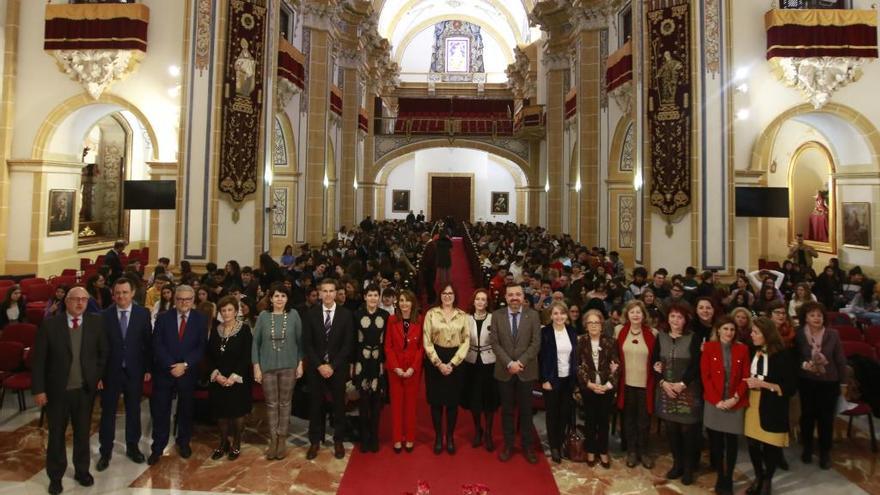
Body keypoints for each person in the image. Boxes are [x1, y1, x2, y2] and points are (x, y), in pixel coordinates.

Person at [31, 286, 107, 495]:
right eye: (75, 299)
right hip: (57, 392)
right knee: (56, 435)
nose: (80, 303)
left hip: (84, 391)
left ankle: (82, 471)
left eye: (84, 299)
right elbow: (38, 362)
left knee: (82, 434)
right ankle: (55, 476)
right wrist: (39, 389)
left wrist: (95, 377)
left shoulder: (96, 323)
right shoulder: (50, 325)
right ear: (66, 301)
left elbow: (103, 354)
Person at [96, 277, 152, 472]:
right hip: (110, 373)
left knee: (134, 411)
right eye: (118, 293)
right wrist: (99, 376)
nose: (121, 296)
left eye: (125, 292)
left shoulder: (143, 314)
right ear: (113, 294)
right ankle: (105, 451)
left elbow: (147, 344)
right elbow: (99, 348)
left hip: (134, 372)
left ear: (132, 293)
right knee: (108, 413)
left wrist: (147, 369)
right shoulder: (104, 316)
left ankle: (132, 447)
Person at [148, 285, 207, 465]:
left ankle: (184, 443)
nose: (184, 303)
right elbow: (157, 344)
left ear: (193, 300)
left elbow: (201, 347)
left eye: (188, 299)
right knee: (160, 411)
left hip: (187, 373)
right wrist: (171, 365)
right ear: (175, 300)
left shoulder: (200, 319)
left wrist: (185, 364)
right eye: (180, 299)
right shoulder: (163, 318)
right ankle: (158, 447)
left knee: (186, 411)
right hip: (165, 372)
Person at [490, 282, 541, 464]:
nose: (514, 298)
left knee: (527, 411)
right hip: (504, 371)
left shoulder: (533, 316)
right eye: (510, 294)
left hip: (526, 371)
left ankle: (528, 446)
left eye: (517, 294)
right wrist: (509, 363)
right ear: (505, 297)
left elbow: (536, 343)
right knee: (507, 411)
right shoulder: (497, 316)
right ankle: (508, 444)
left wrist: (520, 362)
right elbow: (495, 343)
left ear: (523, 297)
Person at [303, 278, 354, 460]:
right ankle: (315, 441)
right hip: (316, 368)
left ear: (336, 293)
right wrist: (319, 365)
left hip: (337, 368)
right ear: (319, 293)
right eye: (324, 291)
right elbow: (307, 344)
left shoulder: (346, 315)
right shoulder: (311, 314)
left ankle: (338, 440)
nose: (328, 294)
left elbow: (348, 345)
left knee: (339, 405)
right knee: (316, 405)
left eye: (331, 291)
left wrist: (332, 366)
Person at [744, 317, 796, 495]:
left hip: (773, 405)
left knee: (771, 446)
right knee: (752, 444)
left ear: (767, 334)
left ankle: (767, 479)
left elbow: (790, 388)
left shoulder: (783, 355)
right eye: (752, 331)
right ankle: (758, 475)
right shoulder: (751, 350)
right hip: (752, 404)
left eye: (756, 332)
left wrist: (764, 385)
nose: (752, 335)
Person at [653, 302, 703, 485]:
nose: (675, 320)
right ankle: (678, 464)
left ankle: (689, 468)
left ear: (686, 319)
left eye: (680, 317)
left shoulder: (693, 337)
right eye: (673, 316)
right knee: (672, 430)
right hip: (666, 389)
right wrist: (663, 383)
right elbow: (654, 363)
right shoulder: (661, 337)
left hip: (688, 390)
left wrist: (682, 384)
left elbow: (697, 364)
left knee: (688, 431)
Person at [253, 283, 303, 460]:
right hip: (267, 366)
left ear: (287, 298)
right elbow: (255, 344)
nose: (279, 299)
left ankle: (282, 438)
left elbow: (300, 341)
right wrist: (256, 366)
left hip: (289, 365)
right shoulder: (263, 317)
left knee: (285, 403)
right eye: (276, 296)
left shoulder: (294, 315)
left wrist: (300, 363)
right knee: (272, 404)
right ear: (271, 298)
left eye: (283, 296)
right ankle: (273, 439)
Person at [700, 316, 749, 495]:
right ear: (718, 330)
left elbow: (746, 377)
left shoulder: (743, 349)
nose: (729, 333)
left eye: (732, 330)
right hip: (715, 403)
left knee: (732, 442)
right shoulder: (709, 348)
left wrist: (735, 398)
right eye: (725, 329)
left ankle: (728, 477)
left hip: (735, 402)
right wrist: (717, 401)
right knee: (716, 442)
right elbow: (706, 377)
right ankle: (721, 475)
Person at [795, 301, 847, 469]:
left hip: (829, 382)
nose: (816, 318)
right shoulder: (799, 334)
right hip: (806, 381)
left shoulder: (833, 334)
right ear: (805, 318)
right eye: (812, 315)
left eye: (819, 315)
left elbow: (840, 360)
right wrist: (803, 364)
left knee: (826, 419)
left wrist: (844, 383)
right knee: (807, 417)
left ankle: (825, 452)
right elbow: (795, 357)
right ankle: (807, 448)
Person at [423, 284, 469, 455]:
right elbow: (427, 340)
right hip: (435, 358)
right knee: (436, 402)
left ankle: (449, 437)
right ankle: (437, 437)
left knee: (452, 402)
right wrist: (438, 363)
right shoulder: (431, 314)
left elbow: (466, 341)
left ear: (455, 295)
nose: (447, 296)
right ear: (440, 295)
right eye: (444, 293)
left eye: (450, 293)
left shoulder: (462, 315)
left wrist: (452, 363)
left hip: (455, 359)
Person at [207, 296, 253, 461]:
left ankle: (237, 443)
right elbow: (209, 356)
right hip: (219, 379)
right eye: (223, 310)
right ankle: (223, 442)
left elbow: (246, 356)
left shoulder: (245, 330)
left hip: (238, 379)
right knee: (222, 414)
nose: (226, 313)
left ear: (236, 311)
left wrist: (233, 377)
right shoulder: (215, 330)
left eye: (230, 310)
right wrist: (217, 375)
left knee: (237, 414)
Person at [615, 299, 657, 469]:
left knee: (644, 420)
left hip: (645, 384)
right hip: (626, 383)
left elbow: (656, 358)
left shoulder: (652, 333)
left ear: (643, 315)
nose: (635, 315)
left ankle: (644, 451)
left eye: (638, 312)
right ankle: (632, 451)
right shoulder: (619, 331)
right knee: (629, 419)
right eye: (632, 312)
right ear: (627, 315)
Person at [577, 309, 618, 468]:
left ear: (602, 325)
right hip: (588, 387)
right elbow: (578, 366)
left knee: (603, 421)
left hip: (606, 388)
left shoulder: (611, 342)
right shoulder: (580, 342)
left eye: (596, 322)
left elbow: (617, 366)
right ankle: (591, 450)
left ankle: (603, 450)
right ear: (586, 326)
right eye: (590, 322)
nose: (593, 325)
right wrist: (589, 384)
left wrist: (607, 386)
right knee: (590, 420)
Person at [539, 301, 578, 463]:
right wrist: (544, 379)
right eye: (555, 313)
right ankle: (554, 446)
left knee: (564, 413)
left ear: (566, 315)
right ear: (550, 315)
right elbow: (540, 359)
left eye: (562, 313)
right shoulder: (545, 332)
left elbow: (575, 356)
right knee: (552, 413)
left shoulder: (572, 331)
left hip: (568, 379)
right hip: (551, 379)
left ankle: (561, 442)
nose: (559, 316)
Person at [353, 284, 390, 453]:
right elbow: (352, 341)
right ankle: (364, 437)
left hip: (378, 362)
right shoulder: (357, 315)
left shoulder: (385, 315)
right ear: (365, 297)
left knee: (376, 402)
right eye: (370, 295)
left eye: (376, 295)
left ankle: (374, 437)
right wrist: (352, 364)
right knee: (363, 402)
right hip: (361, 361)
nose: (373, 298)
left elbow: (388, 342)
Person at [385, 289, 424, 453]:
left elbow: (421, 347)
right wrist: (396, 367)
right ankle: (397, 439)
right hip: (395, 369)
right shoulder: (392, 320)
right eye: (401, 300)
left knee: (410, 406)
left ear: (413, 303)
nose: (404, 304)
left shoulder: (420, 320)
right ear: (398, 303)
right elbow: (388, 346)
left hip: (412, 370)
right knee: (396, 405)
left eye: (407, 301)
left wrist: (413, 368)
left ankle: (409, 438)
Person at [462, 288, 499, 451]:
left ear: (487, 302)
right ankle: (478, 430)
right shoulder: (466, 318)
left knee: (489, 399)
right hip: (471, 362)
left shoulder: (494, 318)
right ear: (473, 301)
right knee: (474, 398)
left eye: (483, 299)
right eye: (478, 299)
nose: (480, 302)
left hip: (489, 361)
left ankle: (489, 432)